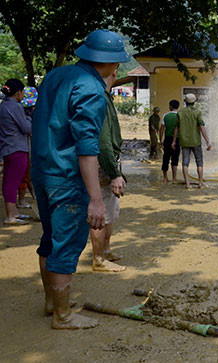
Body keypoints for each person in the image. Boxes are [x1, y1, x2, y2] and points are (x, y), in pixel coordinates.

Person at [32, 29, 129, 330]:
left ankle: (52, 302)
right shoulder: (91, 89)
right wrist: (96, 200)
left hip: (43, 171)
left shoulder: (55, 76)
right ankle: (63, 316)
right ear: (113, 66)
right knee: (66, 245)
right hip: (67, 177)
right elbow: (87, 148)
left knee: (49, 238)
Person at [90, 68, 126, 273]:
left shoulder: (105, 97)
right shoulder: (99, 99)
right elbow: (103, 142)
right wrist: (114, 173)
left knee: (111, 210)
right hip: (103, 164)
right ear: (113, 73)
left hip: (108, 162)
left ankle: (106, 249)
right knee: (101, 212)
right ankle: (98, 258)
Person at [0, 79, 32, 225]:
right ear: (18, 92)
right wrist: (30, 119)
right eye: (23, 92)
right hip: (17, 148)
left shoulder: (4, 105)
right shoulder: (15, 106)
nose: (24, 95)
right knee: (13, 182)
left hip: (7, 148)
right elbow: (26, 128)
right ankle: (10, 216)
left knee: (9, 181)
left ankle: (13, 212)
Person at [172, 93, 212, 189]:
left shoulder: (180, 113)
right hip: (196, 141)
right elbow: (202, 127)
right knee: (199, 162)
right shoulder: (197, 113)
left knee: (185, 163)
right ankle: (200, 183)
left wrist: (173, 141)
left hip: (184, 142)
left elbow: (176, 128)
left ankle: (187, 184)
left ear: (185, 102)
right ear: (194, 102)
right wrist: (207, 141)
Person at [17, 86, 38, 209]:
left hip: (26, 145)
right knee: (26, 175)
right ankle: (23, 199)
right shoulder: (27, 114)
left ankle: (25, 199)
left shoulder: (19, 110)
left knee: (27, 175)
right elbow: (27, 129)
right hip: (26, 145)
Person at [160, 100, 180, 183]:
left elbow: (161, 129)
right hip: (177, 140)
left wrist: (160, 140)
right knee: (175, 159)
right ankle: (174, 178)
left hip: (167, 139)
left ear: (171, 106)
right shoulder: (180, 116)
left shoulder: (165, 116)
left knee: (166, 158)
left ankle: (165, 178)